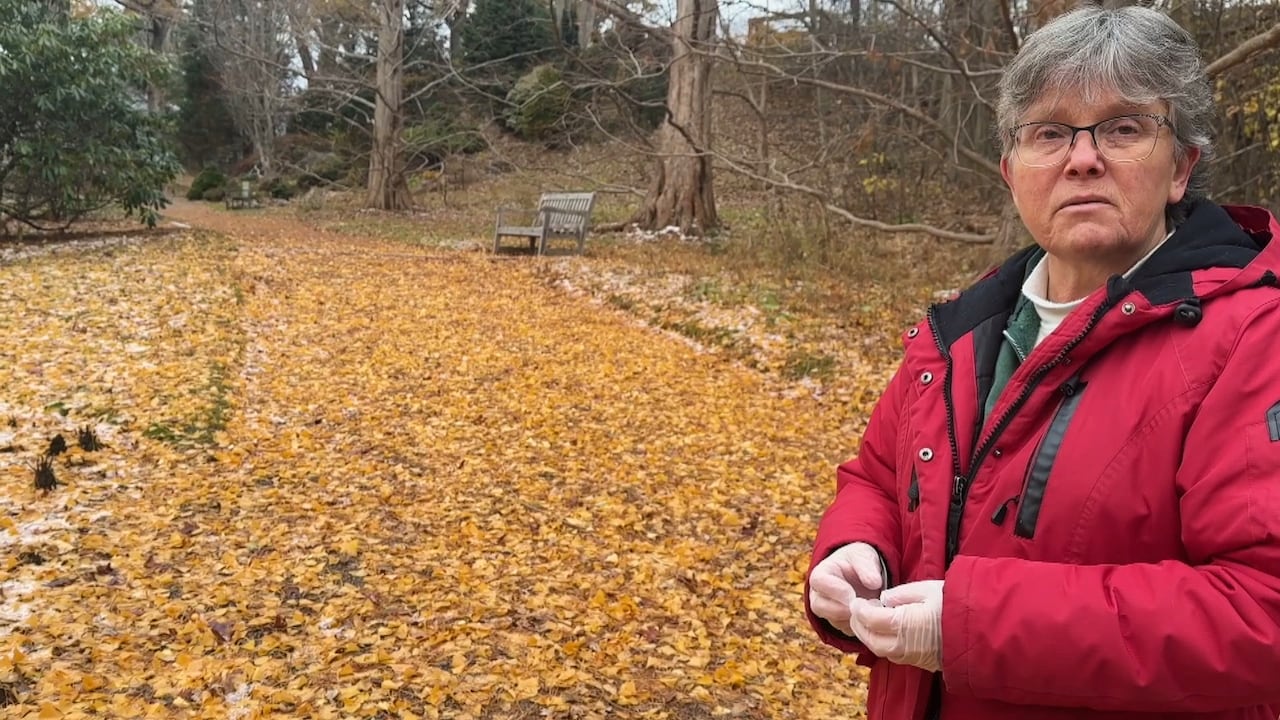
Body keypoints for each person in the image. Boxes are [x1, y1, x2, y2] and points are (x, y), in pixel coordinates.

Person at [804, 6, 1280, 720]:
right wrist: (853, 547)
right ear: (1011, 170)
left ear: (1182, 167)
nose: (1081, 157)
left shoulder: (1251, 337)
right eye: (1049, 132)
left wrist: (969, 626)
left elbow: (1260, 613)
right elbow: (876, 474)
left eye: (1123, 127)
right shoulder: (960, 332)